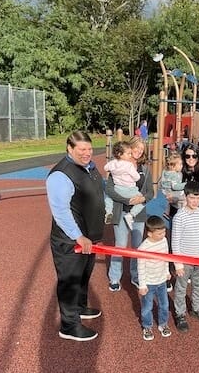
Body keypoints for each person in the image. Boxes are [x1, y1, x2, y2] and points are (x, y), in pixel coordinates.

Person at [46, 131, 105, 341]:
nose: (87, 153)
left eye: (89, 149)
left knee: (83, 276)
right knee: (69, 280)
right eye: (82, 150)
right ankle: (69, 326)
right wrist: (78, 236)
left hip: (89, 237)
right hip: (71, 241)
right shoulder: (61, 174)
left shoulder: (90, 167)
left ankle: (79, 307)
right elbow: (60, 211)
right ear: (70, 149)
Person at [106, 136, 154, 292]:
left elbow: (150, 192)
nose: (139, 151)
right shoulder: (118, 167)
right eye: (137, 148)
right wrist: (127, 201)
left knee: (137, 246)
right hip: (121, 210)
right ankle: (114, 277)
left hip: (138, 213)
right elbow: (109, 190)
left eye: (142, 149)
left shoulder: (145, 169)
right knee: (120, 245)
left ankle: (135, 275)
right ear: (129, 148)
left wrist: (142, 198)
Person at [171, 181, 199, 333]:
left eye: (198, 198)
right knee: (181, 288)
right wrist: (178, 264)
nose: (195, 201)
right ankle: (180, 314)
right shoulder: (179, 217)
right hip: (185, 261)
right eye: (192, 198)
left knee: (198, 285)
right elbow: (175, 241)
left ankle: (196, 308)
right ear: (185, 197)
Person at [137, 215, 172, 341]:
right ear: (149, 234)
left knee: (164, 304)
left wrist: (167, 271)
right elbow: (140, 268)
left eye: (164, 232)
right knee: (147, 306)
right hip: (149, 283)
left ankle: (163, 324)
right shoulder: (143, 249)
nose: (163, 235)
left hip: (161, 280)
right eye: (159, 233)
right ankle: (147, 326)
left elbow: (166, 257)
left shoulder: (164, 241)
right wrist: (142, 285)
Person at [104, 141, 144, 229]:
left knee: (108, 197)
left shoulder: (113, 163)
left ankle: (108, 211)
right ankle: (131, 215)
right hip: (130, 190)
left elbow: (105, 168)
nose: (130, 155)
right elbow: (137, 177)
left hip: (118, 188)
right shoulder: (129, 165)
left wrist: (114, 169)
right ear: (120, 154)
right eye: (129, 153)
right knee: (142, 200)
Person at [160, 152, 187, 218]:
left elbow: (162, 182)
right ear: (173, 166)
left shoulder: (165, 172)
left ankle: (167, 212)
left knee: (172, 203)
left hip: (167, 192)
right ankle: (183, 213)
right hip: (174, 193)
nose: (182, 166)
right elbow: (175, 186)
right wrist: (186, 184)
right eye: (180, 164)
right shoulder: (174, 175)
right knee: (185, 199)